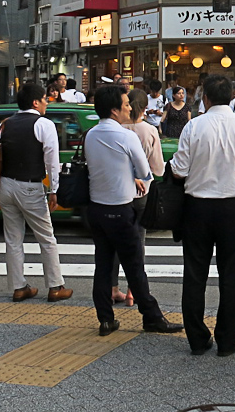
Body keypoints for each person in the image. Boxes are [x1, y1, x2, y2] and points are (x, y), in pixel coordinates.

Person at [171, 74, 235, 357]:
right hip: (232, 207)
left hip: (197, 207)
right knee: (231, 274)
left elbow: (180, 169)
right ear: (234, 96)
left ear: (206, 98)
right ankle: (227, 339)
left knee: (195, 273)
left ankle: (198, 339)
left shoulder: (193, 126)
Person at [84, 84, 182, 336]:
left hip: (96, 209)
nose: (130, 107)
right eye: (126, 104)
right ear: (115, 110)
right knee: (135, 267)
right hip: (121, 209)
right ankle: (152, 317)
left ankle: (105, 319)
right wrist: (135, 177)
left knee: (103, 265)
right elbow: (144, 172)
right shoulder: (126, 137)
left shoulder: (91, 134)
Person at [0, 82, 74, 304]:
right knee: (46, 238)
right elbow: (52, 160)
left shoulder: (5, 124)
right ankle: (56, 286)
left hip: (6, 185)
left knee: (13, 239)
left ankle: (19, 287)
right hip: (30, 186)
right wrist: (54, 190)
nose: (47, 102)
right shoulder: (43, 124)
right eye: (44, 99)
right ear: (35, 102)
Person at [110, 88, 166, 306]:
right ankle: (133, 290)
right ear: (144, 108)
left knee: (114, 241)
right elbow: (158, 168)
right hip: (142, 194)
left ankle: (113, 287)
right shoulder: (149, 131)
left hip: (116, 192)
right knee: (137, 241)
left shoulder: (115, 129)